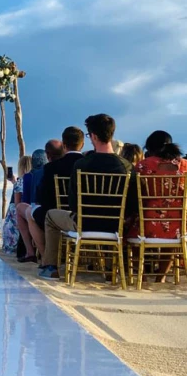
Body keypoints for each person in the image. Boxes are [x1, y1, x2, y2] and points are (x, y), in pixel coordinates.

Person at [39, 114, 137, 280]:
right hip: (115, 225)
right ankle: (109, 268)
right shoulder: (126, 166)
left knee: (50, 216)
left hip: (85, 224)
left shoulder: (82, 165)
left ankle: (51, 267)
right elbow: (132, 203)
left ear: (94, 136)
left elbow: (73, 203)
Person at [27, 127, 84, 259]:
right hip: (86, 216)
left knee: (31, 212)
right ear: (82, 144)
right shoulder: (88, 165)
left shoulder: (51, 167)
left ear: (64, 144)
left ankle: (46, 259)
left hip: (59, 215)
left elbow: (43, 198)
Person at [15, 149, 48, 262]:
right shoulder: (51, 171)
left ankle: (30, 251)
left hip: (38, 213)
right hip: (60, 212)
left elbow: (25, 201)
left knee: (21, 209)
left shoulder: (29, 176)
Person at [2, 155, 32, 254]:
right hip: (31, 209)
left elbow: (17, 203)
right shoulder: (33, 179)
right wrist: (13, 181)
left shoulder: (20, 182)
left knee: (12, 209)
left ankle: (11, 246)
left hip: (19, 214)